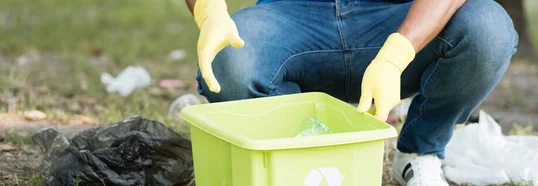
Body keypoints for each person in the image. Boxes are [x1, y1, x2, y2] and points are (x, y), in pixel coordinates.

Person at [185, 0, 518, 184]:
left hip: (397, 15)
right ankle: (295, 151)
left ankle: (419, 155)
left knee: (488, 29)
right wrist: (209, 11)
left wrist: (397, 54)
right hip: (290, 15)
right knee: (231, 62)